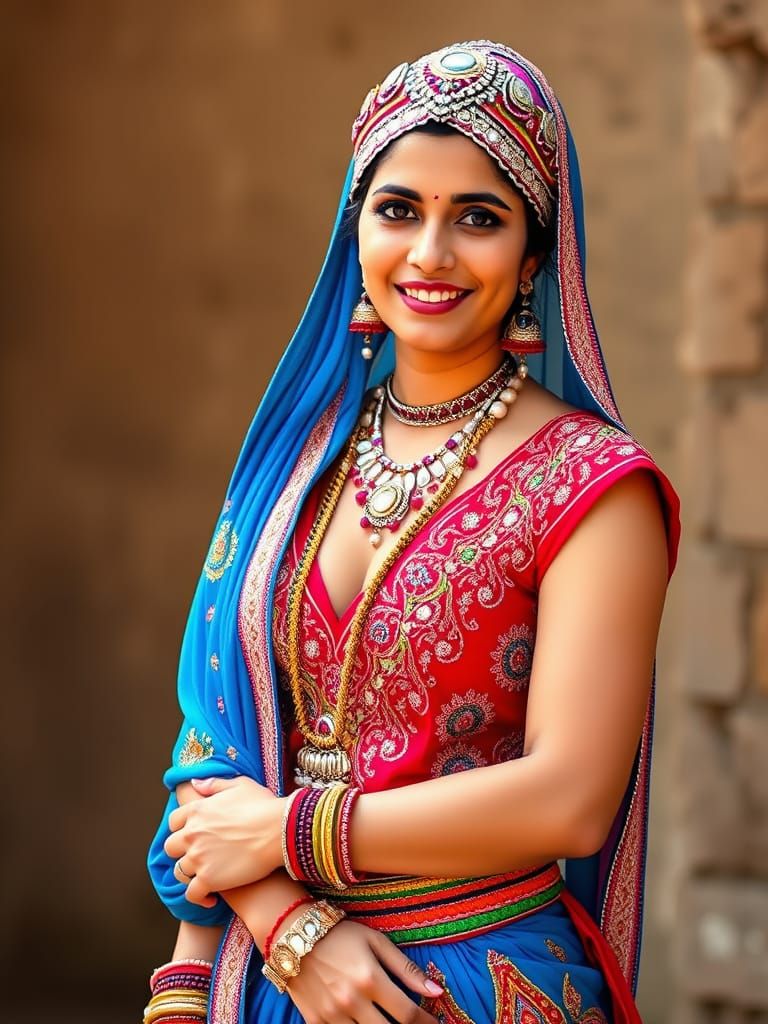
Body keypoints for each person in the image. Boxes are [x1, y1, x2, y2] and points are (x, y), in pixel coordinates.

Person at [144, 40, 681, 1024]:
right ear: (356, 230)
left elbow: (568, 797)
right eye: (399, 209)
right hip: (271, 977)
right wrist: (278, 930)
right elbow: (212, 761)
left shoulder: (595, 488)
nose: (430, 253)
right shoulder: (298, 460)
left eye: (478, 217)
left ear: (534, 253)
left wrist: (289, 840)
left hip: (474, 986)